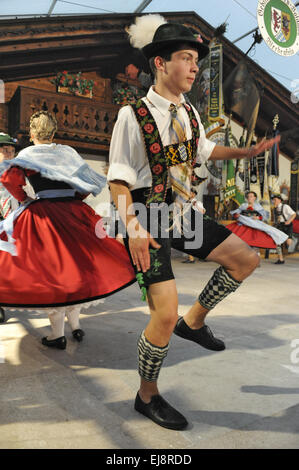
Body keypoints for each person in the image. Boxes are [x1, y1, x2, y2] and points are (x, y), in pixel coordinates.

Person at [107, 15, 281, 430]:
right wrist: (132, 228)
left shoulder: (189, 112)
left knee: (245, 259)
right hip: (147, 217)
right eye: (185, 58)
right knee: (162, 315)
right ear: (160, 64)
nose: (194, 67)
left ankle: (195, 322)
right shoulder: (133, 115)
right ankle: (146, 396)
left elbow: (202, 150)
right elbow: (117, 179)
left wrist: (243, 153)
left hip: (183, 214)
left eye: (195, 60)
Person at [0, 111, 136, 348]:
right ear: (53, 133)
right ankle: (76, 326)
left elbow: (8, 180)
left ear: (32, 133)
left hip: (43, 215)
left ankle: (57, 334)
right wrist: (75, 198)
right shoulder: (68, 152)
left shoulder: (27, 154)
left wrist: (24, 199)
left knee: (53, 273)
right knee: (79, 268)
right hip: (74, 212)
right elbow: (87, 181)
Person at [226, 191, 288, 263]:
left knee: (272, 236)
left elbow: (265, 215)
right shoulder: (243, 205)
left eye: (251, 196)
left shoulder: (258, 206)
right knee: (240, 240)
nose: (249, 198)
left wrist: (259, 218)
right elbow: (235, 213)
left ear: (255, 198)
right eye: (248, 196)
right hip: (244, 224)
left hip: (256, 225)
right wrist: (237, 215)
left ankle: (280, 258)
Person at [0, 133, 20, 323]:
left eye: (12, 151)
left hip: (9, 223)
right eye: (5, 151)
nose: (9, 154)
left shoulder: (14, 172)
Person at [272, 194, 296, 264]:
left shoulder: (285, 206)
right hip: (279, 226)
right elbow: (276, 219)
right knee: (277, 242)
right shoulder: (274, 209)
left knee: (289, 242)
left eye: (275, 200)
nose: (274, 201)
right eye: (273, 200)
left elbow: (294, 214)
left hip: (287, 225)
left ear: (279, 200)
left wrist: (289, 221)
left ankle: (287, 245)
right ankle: (281, 259)